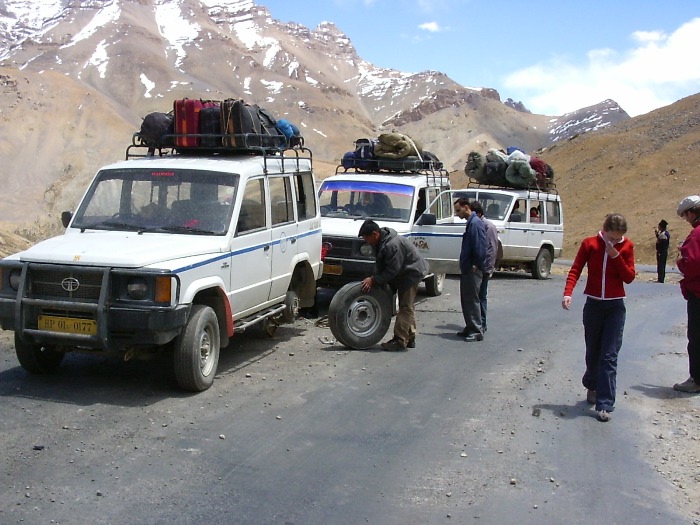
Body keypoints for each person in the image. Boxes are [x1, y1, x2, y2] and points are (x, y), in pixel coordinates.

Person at [561, 213, 636, 422]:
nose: (615, 241)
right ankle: (592, 383)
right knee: (593, 351)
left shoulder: (627, 247)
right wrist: (568, 293)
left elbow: (629, 277)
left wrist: (616, 255)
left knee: (609, 355)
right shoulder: (590, 244)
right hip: (593, 305)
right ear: (604, 232)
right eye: (611, 238)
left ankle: (605, 404)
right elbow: (576, 269)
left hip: (615, 307)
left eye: (618, 238)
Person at [359, 219, 428, 351]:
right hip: (402, 273)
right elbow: (381, 265)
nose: (366, 241)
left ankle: (400, 340)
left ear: (375, 234)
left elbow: (392, 270)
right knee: (407, 306)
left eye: (367, 237)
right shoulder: (380, 242)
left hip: (411, 273)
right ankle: (410, 337)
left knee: (405, 307)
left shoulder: (392, 245)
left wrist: (374, 280)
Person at [673, 195, 700, 393]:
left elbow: (691, 265)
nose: (686, 220)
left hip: (698, 293)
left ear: (691, 213)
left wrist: (680, 261)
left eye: (685, 216)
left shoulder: (696, 235)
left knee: (696, 337)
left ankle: (696, 379)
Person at [453, 198, 486, 342]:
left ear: (466, 207)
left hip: (473, 269)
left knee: (472, 299)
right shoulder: (471, 223)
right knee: (466, 298)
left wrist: (476, 264)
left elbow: (480, 247)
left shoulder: (475, 224)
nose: (457, 214)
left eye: (458, 210)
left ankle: (476, 329)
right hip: (467, 268)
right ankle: (470, 326)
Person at [471, 201, 498, 332]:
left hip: (484, 268)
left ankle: (482, 324)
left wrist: (487, 268)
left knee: (481, 296)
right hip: (478, 267)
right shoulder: (477, 224)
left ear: (479, 213)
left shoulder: (488, 227)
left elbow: (491, 250)